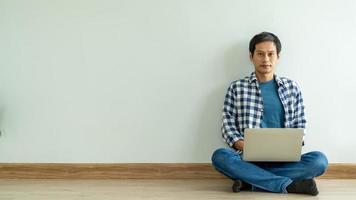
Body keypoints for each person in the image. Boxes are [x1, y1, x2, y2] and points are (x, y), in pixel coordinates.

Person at [211, 32, 328, 196]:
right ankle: (288, 185)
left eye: (270, 54)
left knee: (319, 160)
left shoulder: (291, 88)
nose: (265, 59)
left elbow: (300, 126)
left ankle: (249, 182)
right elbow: (227, 126)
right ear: (251, 56)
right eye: (260, 54)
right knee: (220, 156)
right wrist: (247, 147)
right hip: (248, 160)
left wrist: (289, 147)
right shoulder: (237, 88)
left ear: (278, 57)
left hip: (284, 162)